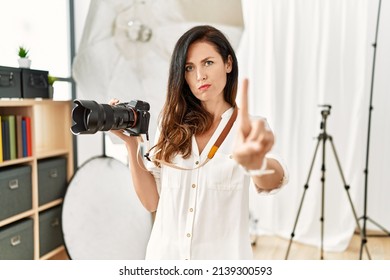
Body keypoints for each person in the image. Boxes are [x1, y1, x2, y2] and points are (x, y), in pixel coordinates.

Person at [110, 25, 288, 260]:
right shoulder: (170, 125)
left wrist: (257, 164)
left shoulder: (250, 127)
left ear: (228, 64)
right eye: (189, 68)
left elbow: (272, 181)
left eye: (208, 63)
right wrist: (131, 147)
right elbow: (152, 202)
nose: (199, 76)